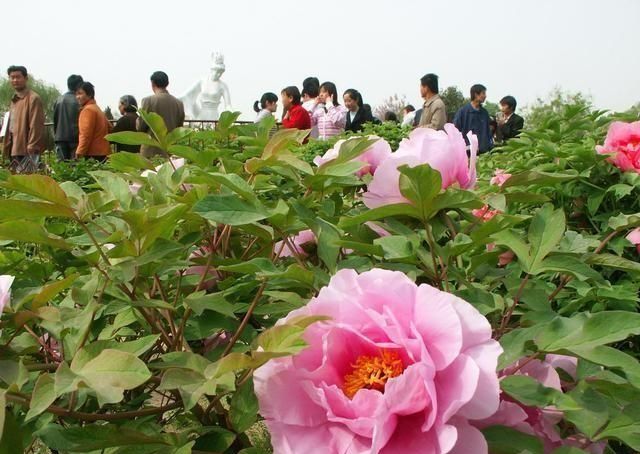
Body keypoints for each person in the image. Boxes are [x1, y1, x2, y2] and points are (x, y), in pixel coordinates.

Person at [2, 66, 46, 173]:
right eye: (12, 77)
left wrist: (32, 145)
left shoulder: (33, 98)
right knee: (16, 181)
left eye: (18, 77)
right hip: (14, 147)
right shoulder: (14, 100)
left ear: (26, 78)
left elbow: (36, 124)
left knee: (28, 179)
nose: (15, 80)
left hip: (27, 148)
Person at [138, 71, 185, 158]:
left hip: (150, 150)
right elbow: (179, 128)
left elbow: (141, 126)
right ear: (167, 83)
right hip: (169, 150)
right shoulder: (178, 103)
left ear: (152, 83)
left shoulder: (148, 100)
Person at [75, 82, 111, 161]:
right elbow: (110, 128)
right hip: (104, 152)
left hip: (93, 153)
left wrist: (79, 152)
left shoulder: (87, 110)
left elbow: (85, 134)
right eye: (76, 94)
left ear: (90, 94)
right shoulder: (97, 108)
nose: (77, 97)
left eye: (80, 93)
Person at [453, 84, 493, 153]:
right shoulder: (463, 112)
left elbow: (487, 132)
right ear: (476, 94)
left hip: (483, 152)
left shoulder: (484, 113)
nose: (485, 96)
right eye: (483, 93)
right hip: (467, 151)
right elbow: (455, 131)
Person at [53, 74, 83, 160]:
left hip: (60, 137)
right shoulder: (79, 101)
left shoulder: (59, 99)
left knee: (62, 166)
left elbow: (55, 119)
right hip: (75, 138)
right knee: (75, 166)